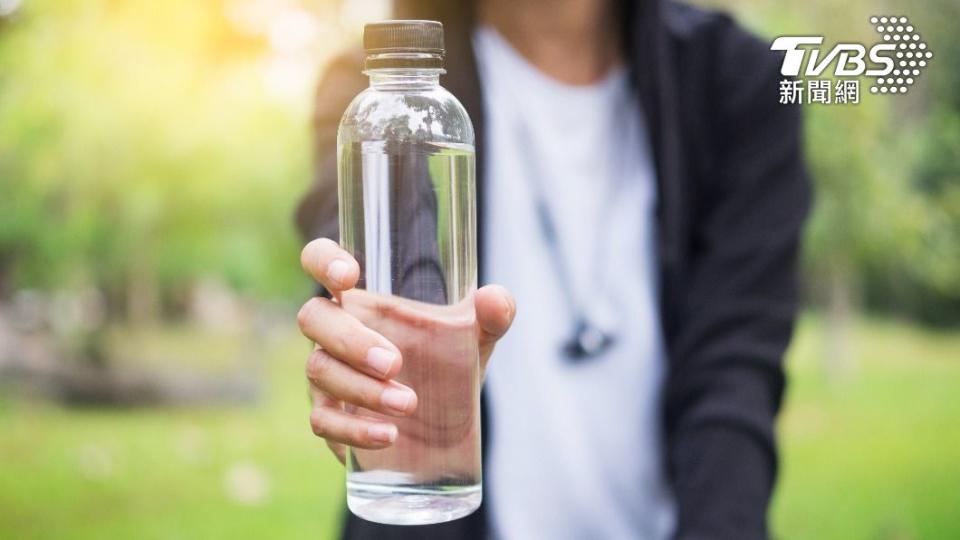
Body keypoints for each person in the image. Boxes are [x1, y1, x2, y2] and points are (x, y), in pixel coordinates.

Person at [295, 0, 811, 538]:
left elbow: (733, 370)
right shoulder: (378, 94)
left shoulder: (740, 81)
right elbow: (366, 271)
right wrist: (362, 357)